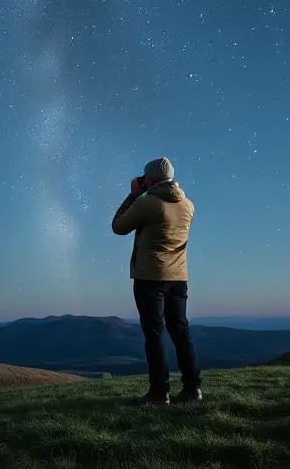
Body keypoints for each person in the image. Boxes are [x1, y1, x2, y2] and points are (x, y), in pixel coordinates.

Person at [111, 156, 202, 405]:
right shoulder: (188, 205)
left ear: (149, 179)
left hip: (150, 277)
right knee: (181, 331)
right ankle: (193, 389)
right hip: (179, 277)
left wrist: (133, 195)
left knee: (154, 335)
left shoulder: (147, 203)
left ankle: (160, 393)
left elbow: (118, 226)